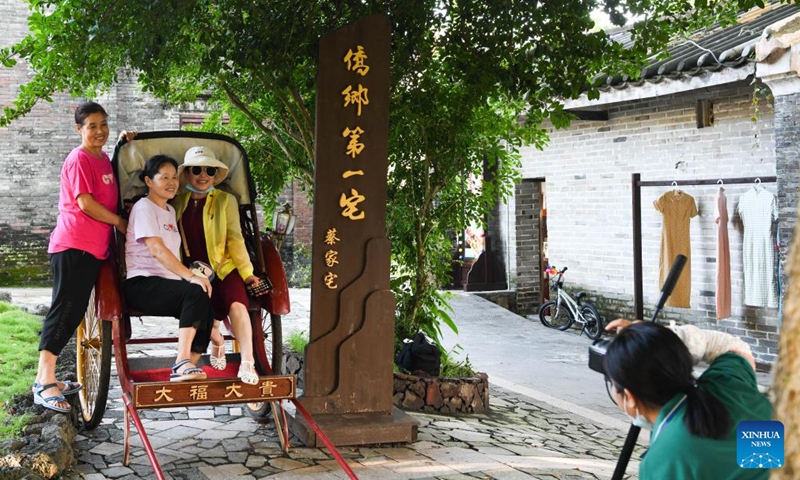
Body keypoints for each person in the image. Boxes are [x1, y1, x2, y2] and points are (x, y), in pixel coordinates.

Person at [33, 102, 134, 413]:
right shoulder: (78, 159)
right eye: (92, 126)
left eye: (104, 124)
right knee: (64, 311)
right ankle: (44, 383)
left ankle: (48, 378)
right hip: (74, 246)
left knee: (73, 312)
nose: (99, 131)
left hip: (93, 249)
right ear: (79, 129)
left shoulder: (102, 159)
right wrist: (119, 223)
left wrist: (122, 145)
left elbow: (110, 180)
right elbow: (86, 203)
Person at [604, 319, 773, 480]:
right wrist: (666, 338)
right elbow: (734, 347)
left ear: (630, 397)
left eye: (611, 382)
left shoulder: (663, 461)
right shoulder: (726, 383)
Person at [173, 145, 265, 385]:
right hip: (194, 272)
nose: (203, 175)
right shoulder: (178, 202)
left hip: (224, 267)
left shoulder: (226, 200)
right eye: (197, 170)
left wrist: (247, 273)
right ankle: (217, 339)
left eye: (210, 170)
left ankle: (247, 361)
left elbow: (235, 238)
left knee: (237, 303)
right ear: (187, 174)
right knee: (202, 310)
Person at [123, 154, 214, 382]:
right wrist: (191, 276)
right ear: (148, 181)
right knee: (195, 291)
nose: (172, 182)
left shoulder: (170, 211)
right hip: (141, 283)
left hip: (166, 284)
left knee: (205, 299)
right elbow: (157, 249)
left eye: (174, 177)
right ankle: (181, 362)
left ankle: (189, 364)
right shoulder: (144, 208)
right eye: (164, 177)